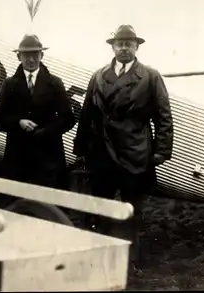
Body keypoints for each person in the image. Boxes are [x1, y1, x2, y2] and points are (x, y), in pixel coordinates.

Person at [73, 24, 174, 272]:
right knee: (102, 207)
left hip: (134, 152)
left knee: (131, 210)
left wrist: (161, 151)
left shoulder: (150, 77)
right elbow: (87, 114)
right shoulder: (98, 76)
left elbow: (164, 116)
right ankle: (102, 258)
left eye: (129, 44)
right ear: (113, 47)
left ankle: (130, 262)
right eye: (120, 44)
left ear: (137, 47)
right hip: (101, 153)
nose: (124, 48)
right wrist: (81, 149)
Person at [0, 34, 76, 189]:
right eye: (26, 55)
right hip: (17, 158)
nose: (31, 60)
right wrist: (18, 122)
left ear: (41, 55)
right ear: (19, 56)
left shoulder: (55, 83)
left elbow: (68, 119)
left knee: (45, 206)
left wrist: (46, 131)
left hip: (48, 158)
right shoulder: (9, 84)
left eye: (35, 54)